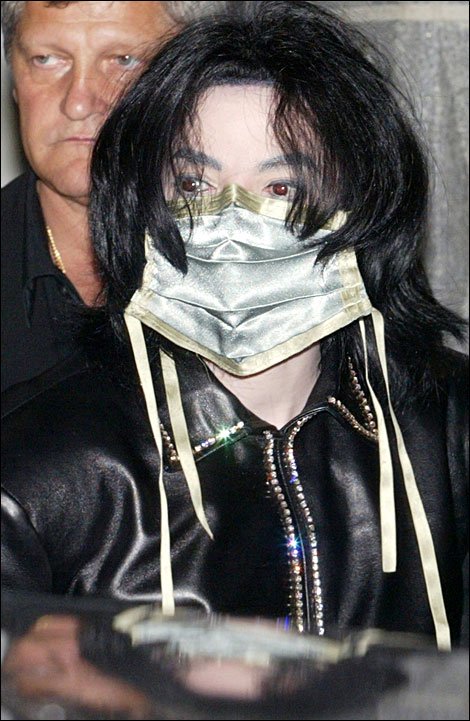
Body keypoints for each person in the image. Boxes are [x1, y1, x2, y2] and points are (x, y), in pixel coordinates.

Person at [2, 0, 468, 653]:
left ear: (362, 202)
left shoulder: (444, 422)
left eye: (281, 188)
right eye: (195, 185)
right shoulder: (38, 468)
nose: (232, 223)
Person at [0, 0, 222, 392]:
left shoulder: (264, 268)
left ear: (196, 79)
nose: (78, 102)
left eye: (123, 60)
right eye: (46, 59)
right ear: (15, 80)